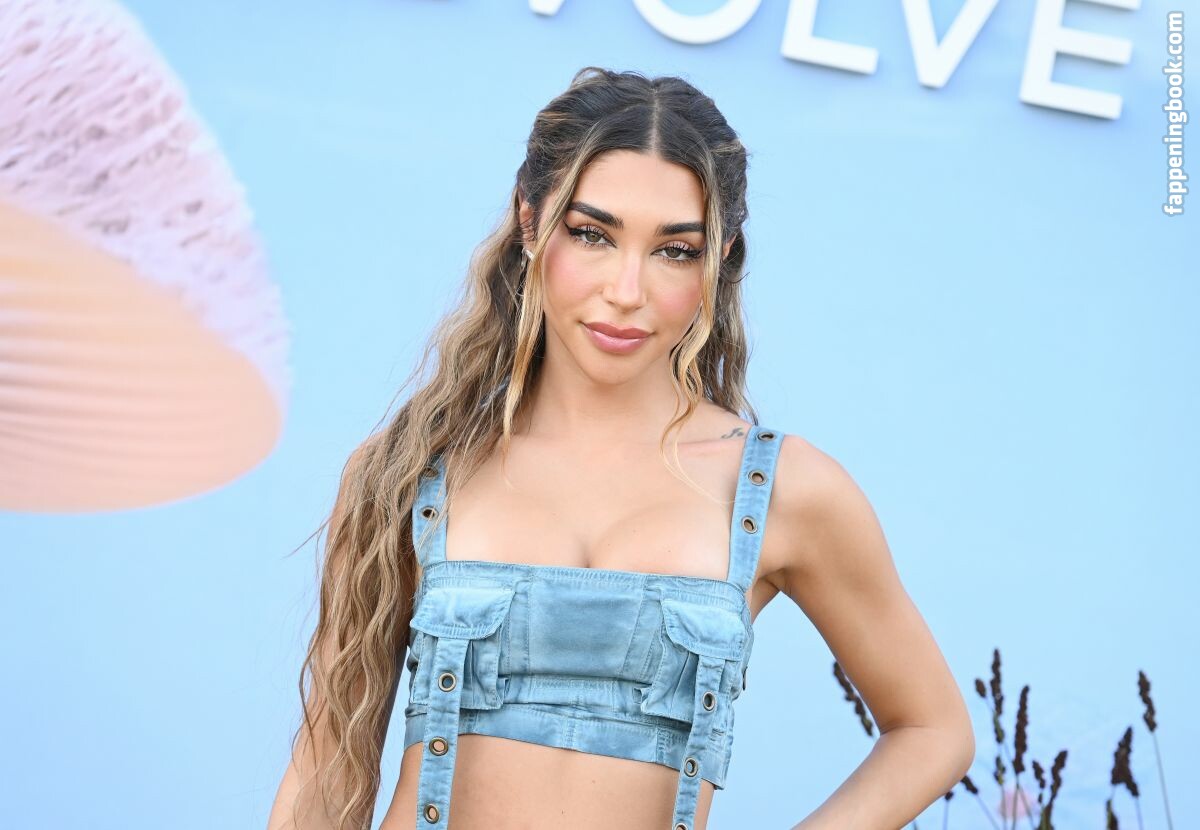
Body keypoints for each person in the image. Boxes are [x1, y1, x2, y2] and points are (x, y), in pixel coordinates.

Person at [267, 66, 974, 830]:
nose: (627, 290)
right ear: (531, 222)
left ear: (719, 258)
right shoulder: (411, 469)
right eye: (592, 234)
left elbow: (933, 730)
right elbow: (328, 765)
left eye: (674, 250)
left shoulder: (782, 490)